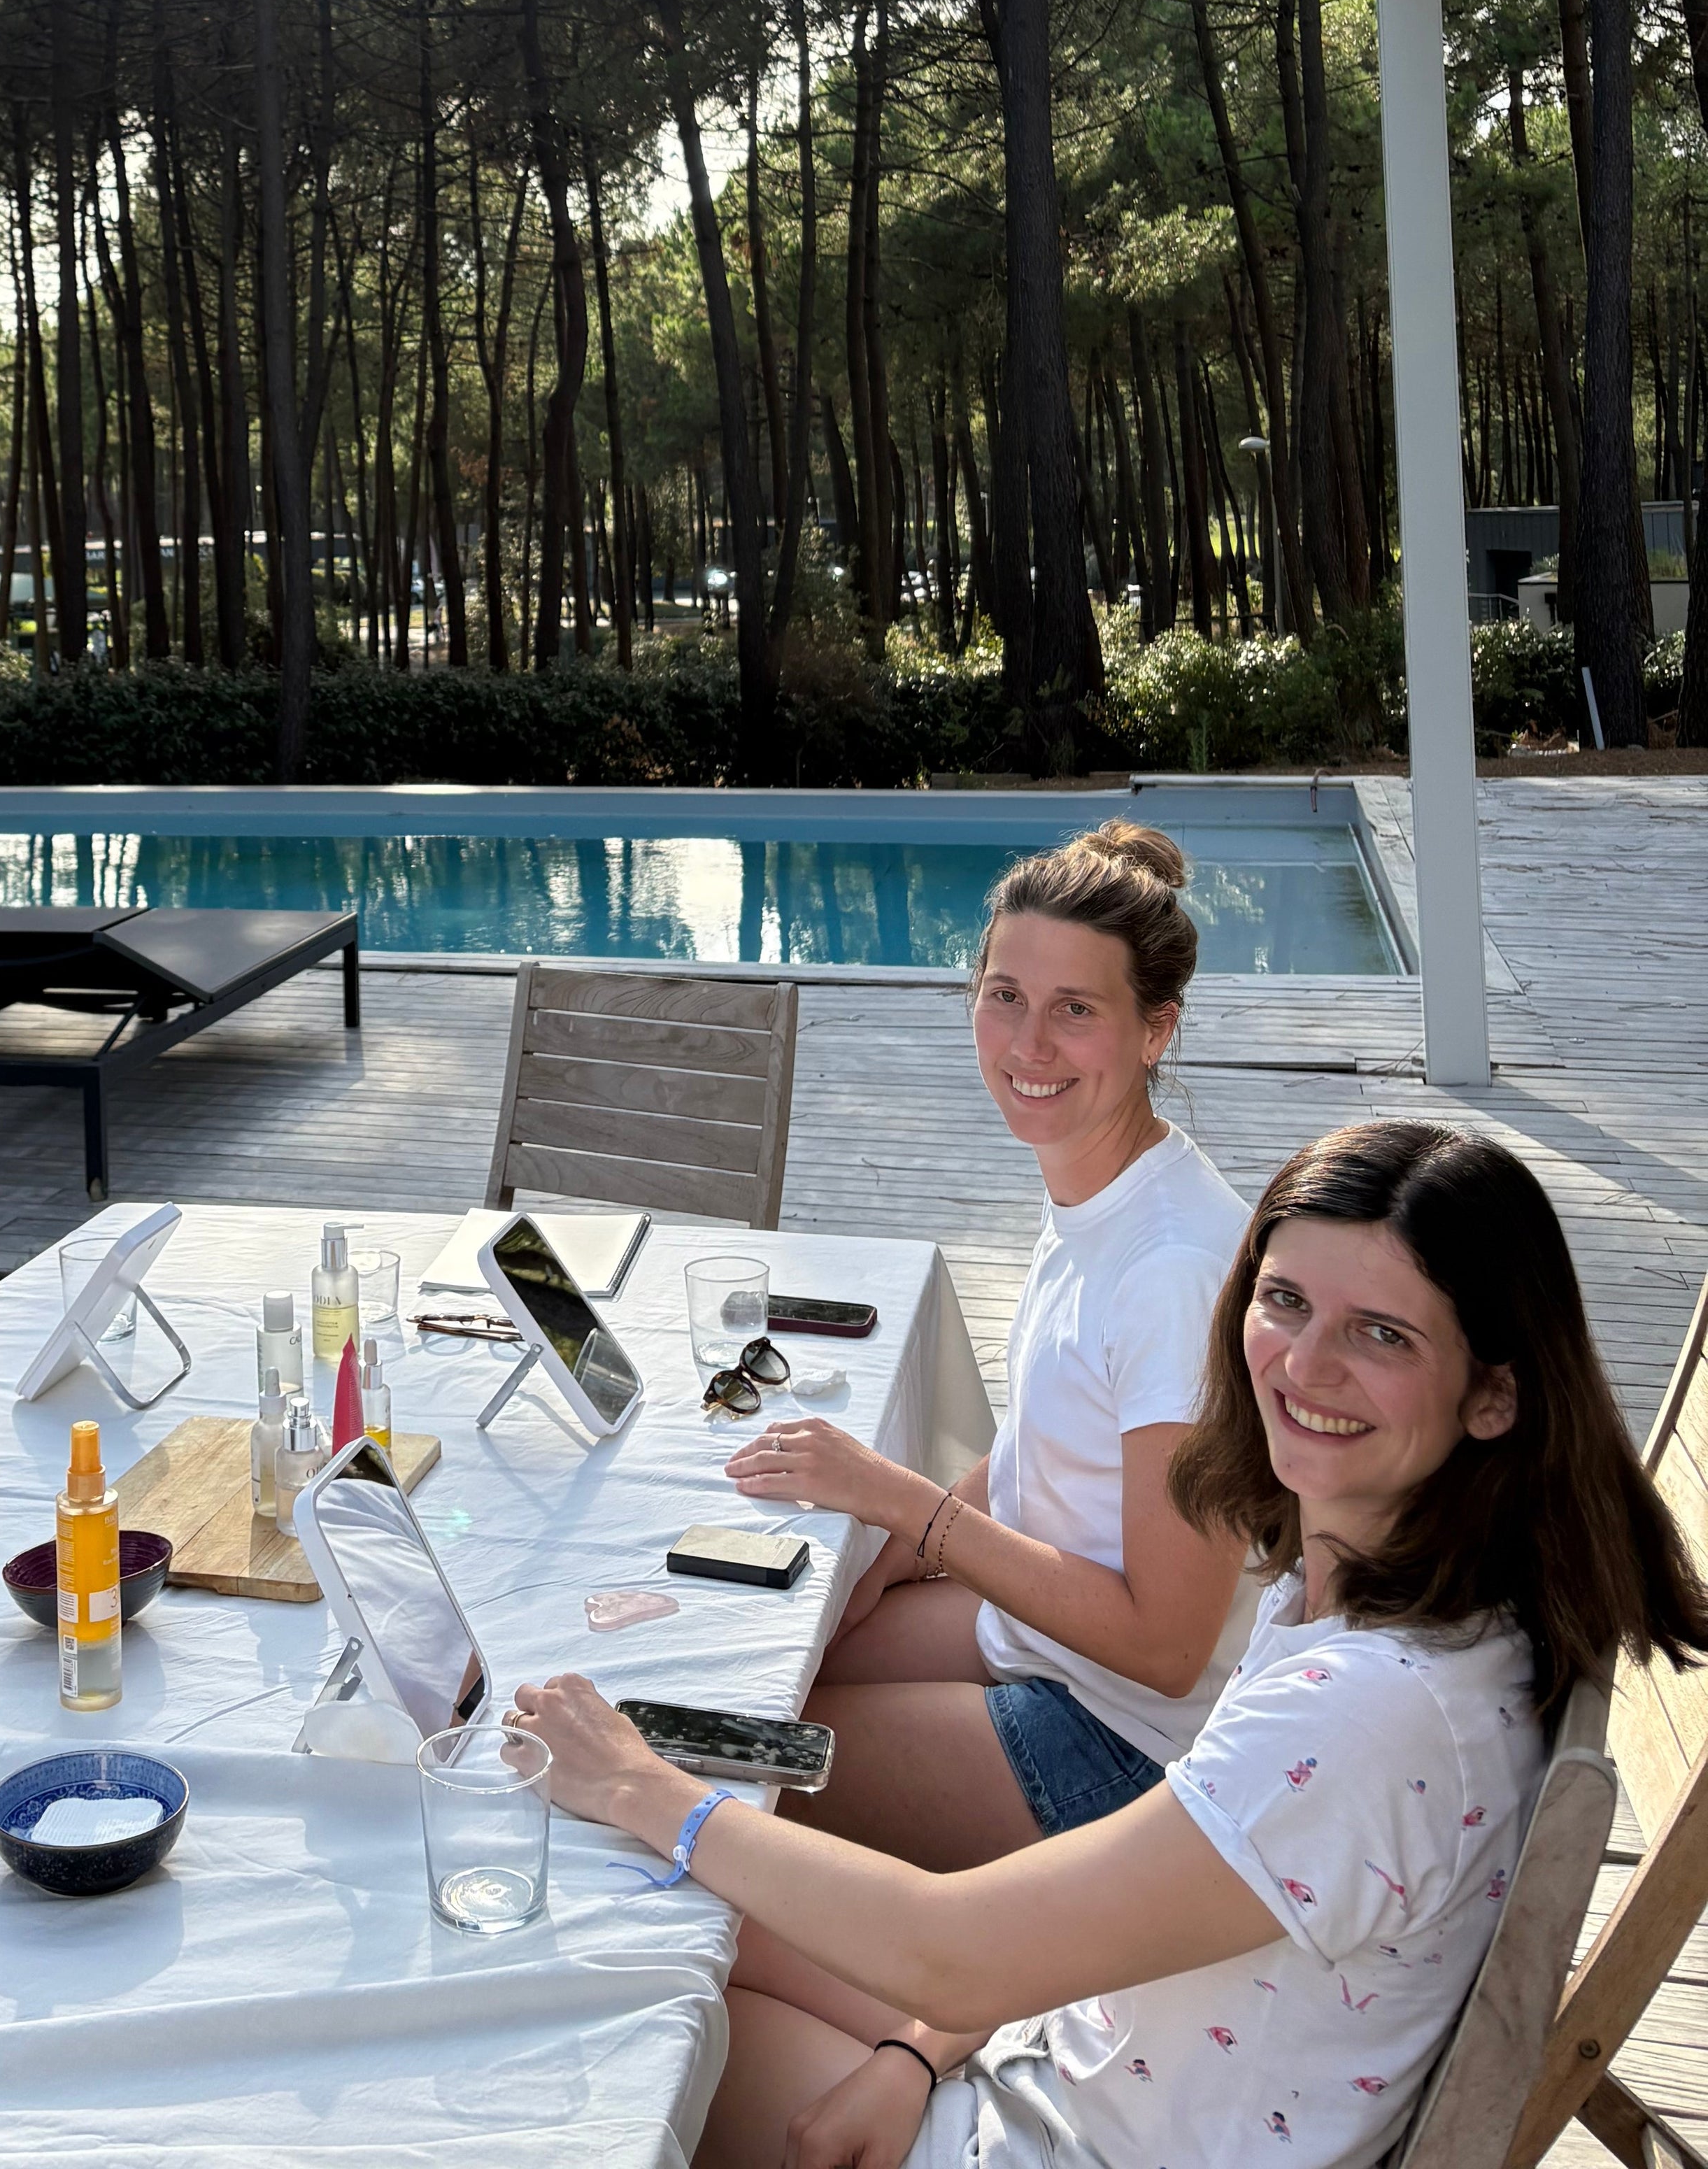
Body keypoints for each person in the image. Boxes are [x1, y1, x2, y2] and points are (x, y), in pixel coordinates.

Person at [518, 1119, 1708, 2169]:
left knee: (619, 1972)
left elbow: (952, 1948)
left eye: (1384, 1336)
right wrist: (918, 2052)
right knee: (678, 1914)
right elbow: (1021, 1957)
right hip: (1062, 2058)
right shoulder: (1397, 1599)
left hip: (1053, 2135)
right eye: (1285, 1301)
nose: (1304, 1365)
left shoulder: (1375, 1715)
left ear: (1494, 1394)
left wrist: (647, 1787)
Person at [726, 822, 1253, 1868]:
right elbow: (1048, 1454)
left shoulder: (1171, 1271)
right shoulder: (1104, 1188)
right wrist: (892, 1559)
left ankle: (904, 2022)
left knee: (733, 1764)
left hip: (1129, 1747)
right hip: (1045, 1641)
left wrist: (904, 1505)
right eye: (1006, 996)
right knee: (763, 1668)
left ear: (1157, 1031)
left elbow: (1167, 1647)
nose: (1028, 1046)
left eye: (1076, 1011)